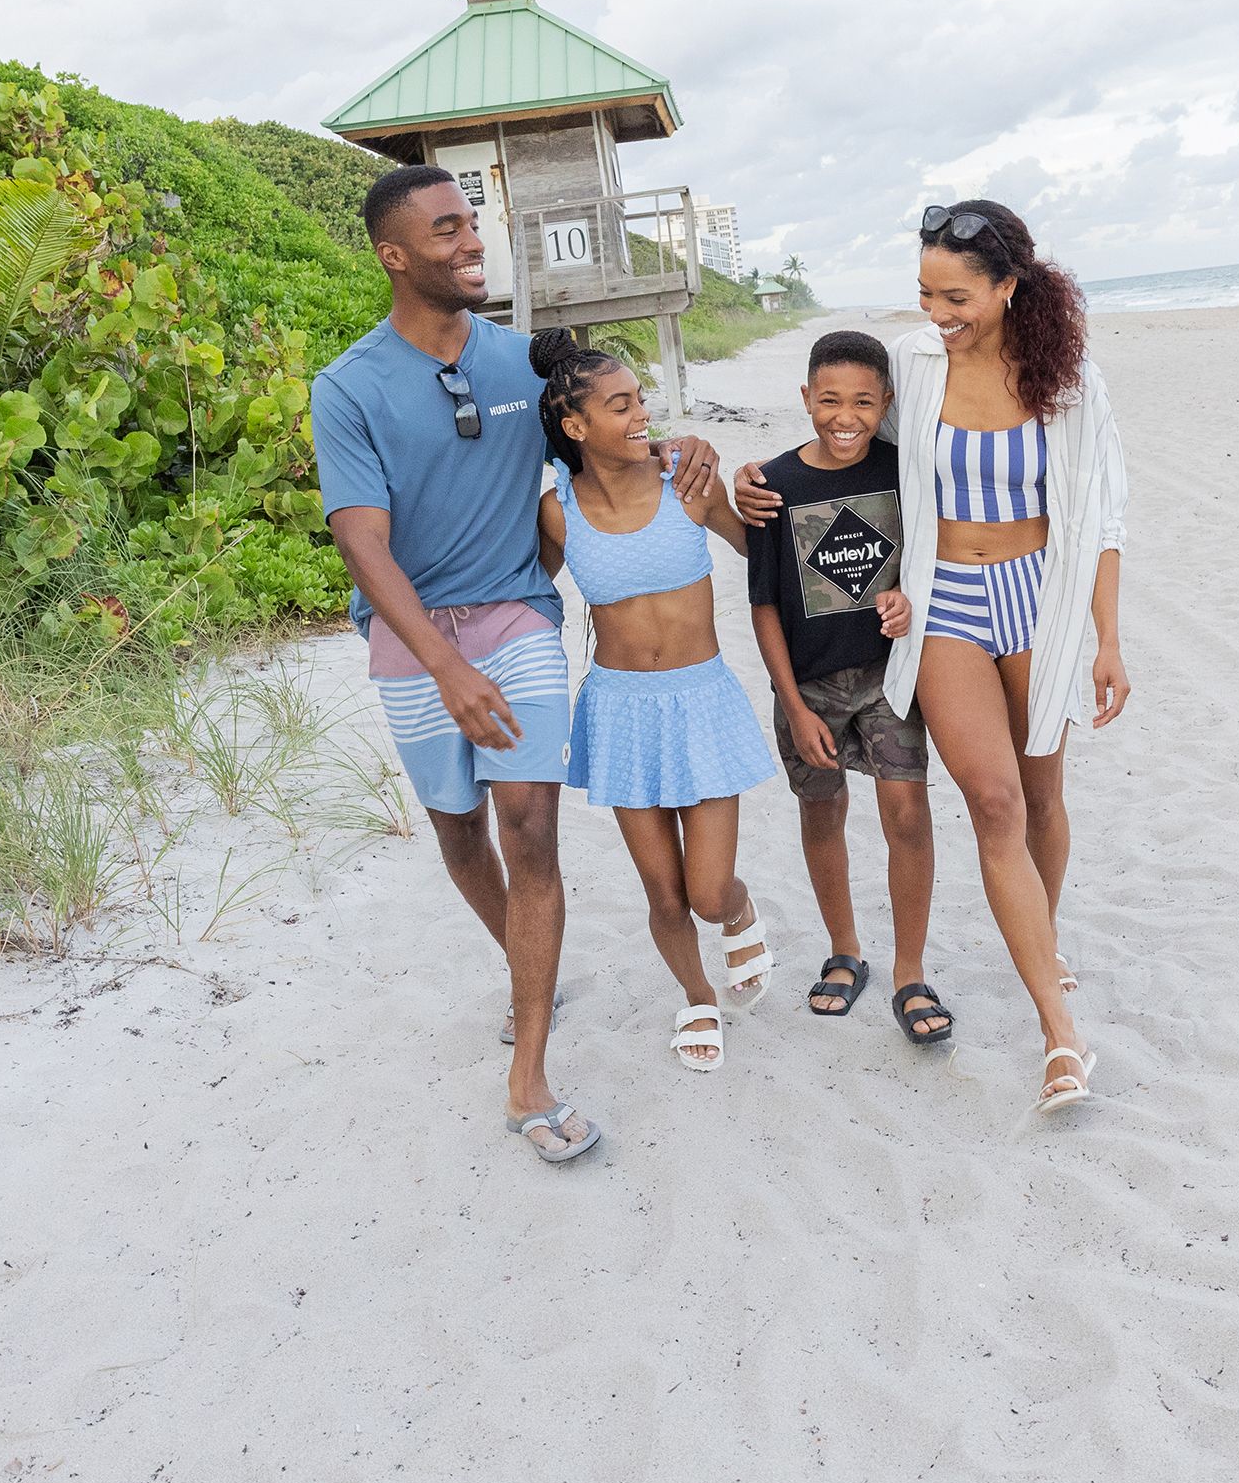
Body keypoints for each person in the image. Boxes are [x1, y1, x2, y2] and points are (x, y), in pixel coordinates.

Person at [310, 165, 717, 1164]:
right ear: (393, 254)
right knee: (460, 835)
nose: (470, 241)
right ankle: (522, 968)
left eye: (471, 223)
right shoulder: (348, 385)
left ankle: (527, 1067)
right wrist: (441, 667)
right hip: (410, 640)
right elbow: (363, 541)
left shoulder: (530, 366)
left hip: (518, 617)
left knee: (528, 826)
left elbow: (608, 443)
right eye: (445, 229)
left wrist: (680, 450)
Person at [739, 200, 1128, 1115]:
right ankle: (1058, 1038)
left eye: (955, 295)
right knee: (991, 802)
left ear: (1007, 286)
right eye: (924, 293)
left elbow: (1104, 516)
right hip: (945, 599)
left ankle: (1046, 934)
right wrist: (754, 480)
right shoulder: (915, 363)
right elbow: (847, 435)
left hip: (1042, 598)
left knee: (1041, 797)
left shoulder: (1069, 380)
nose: (937, 312)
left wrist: (1109, 637)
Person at [532, 330, 778, 1074]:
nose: (643, 414)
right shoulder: (556, 510)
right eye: (622, 405)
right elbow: (528, 596)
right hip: (619, 710)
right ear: (576, 427)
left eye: (641, 398)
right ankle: (697, 995)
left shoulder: (685, 481)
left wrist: (755, 481)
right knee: (663, 892)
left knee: (705, 892)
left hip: (700, 700)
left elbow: (759, 549)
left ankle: (738, 913)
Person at [744, 329, 949, 1044]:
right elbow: (763, 605)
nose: (845, 415)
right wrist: (793, 705)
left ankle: (910, 971)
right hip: (810, 688)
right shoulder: (773, 486)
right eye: (829, 399)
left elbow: (926, 563)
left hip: (889, 682)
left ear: (886, 402)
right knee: (822, 812)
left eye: (864, 401)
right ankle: (844, 950)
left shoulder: (905, 472)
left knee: (907, 817)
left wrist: (902, 599)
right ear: (806, 398)